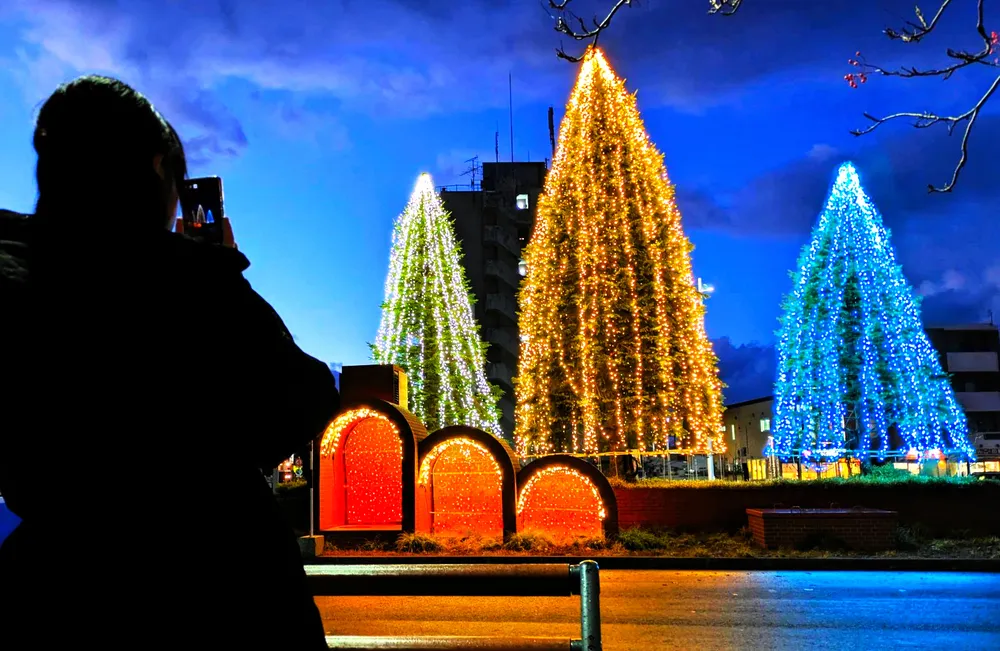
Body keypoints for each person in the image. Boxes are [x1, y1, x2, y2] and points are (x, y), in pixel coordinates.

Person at [0, 76, 338, 648]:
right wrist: (215, 268)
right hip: (220, 582)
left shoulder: (17, 277)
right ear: (155, 167)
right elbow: (304, 394)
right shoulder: (194, 285)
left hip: (54, 585)